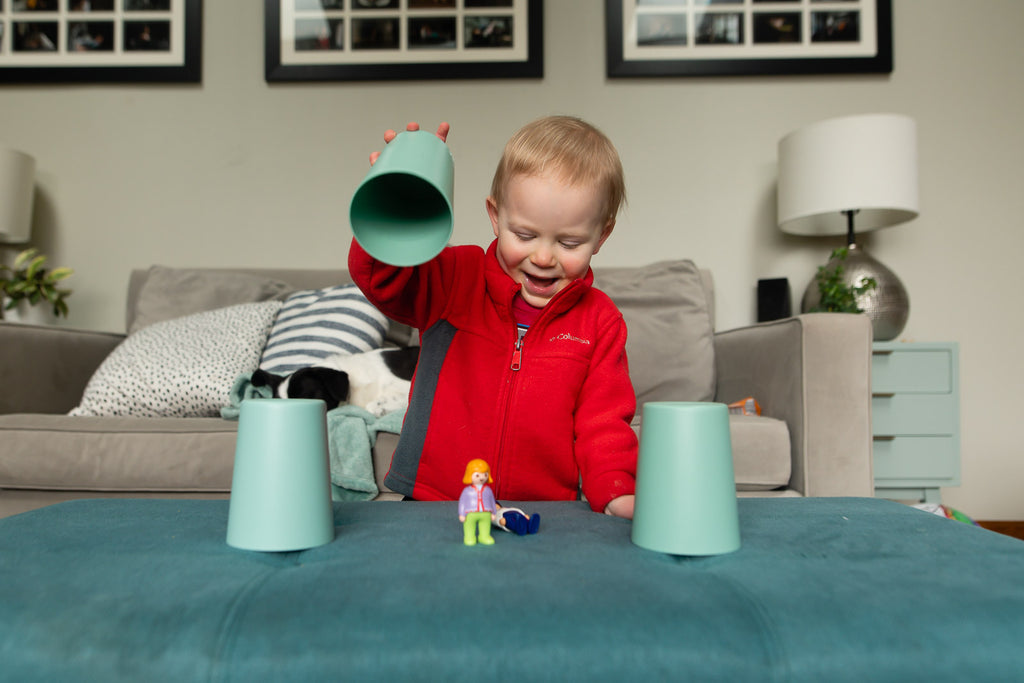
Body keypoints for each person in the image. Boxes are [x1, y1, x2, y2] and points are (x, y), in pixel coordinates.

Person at [349, 116, 637, 519]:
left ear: (601, 236)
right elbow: (382, 280)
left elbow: (604, 423)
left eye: (569, 242)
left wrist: (616, 493)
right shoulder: (453, 278)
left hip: (543, 514)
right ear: (495, 216)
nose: (542, 257)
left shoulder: (600, 321)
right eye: (524, 235)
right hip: (435, 502)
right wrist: (394, 205)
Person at [458, 459, 498, 546]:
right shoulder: (467, 491)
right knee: (469, 526)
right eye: (477, 475)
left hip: (486, 513)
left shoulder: (488, 490)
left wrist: (494, 512)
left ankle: (484, 536)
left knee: (485, 526)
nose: (482, 478)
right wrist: (461, 514)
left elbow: (492, 501)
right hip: (470, 513)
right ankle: (469, 537)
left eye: (485, 474)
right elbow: (462, 503)